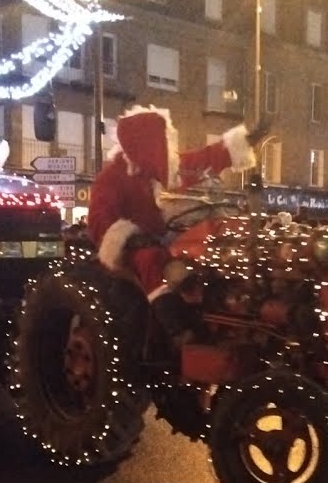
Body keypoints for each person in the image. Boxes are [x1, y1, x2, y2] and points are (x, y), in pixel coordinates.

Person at [86, 106, 267, 343]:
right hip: (132, 250)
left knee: (203, 251)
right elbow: (99, 222)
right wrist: (130, 237)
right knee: (151, 259)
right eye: (160, 141)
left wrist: (245, 141)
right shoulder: (111, 178)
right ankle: (177, 330)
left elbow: (202, 159)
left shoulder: (155, 168)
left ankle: (220, 314)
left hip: (161, 237)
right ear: (144, 144)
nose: (166, 148)